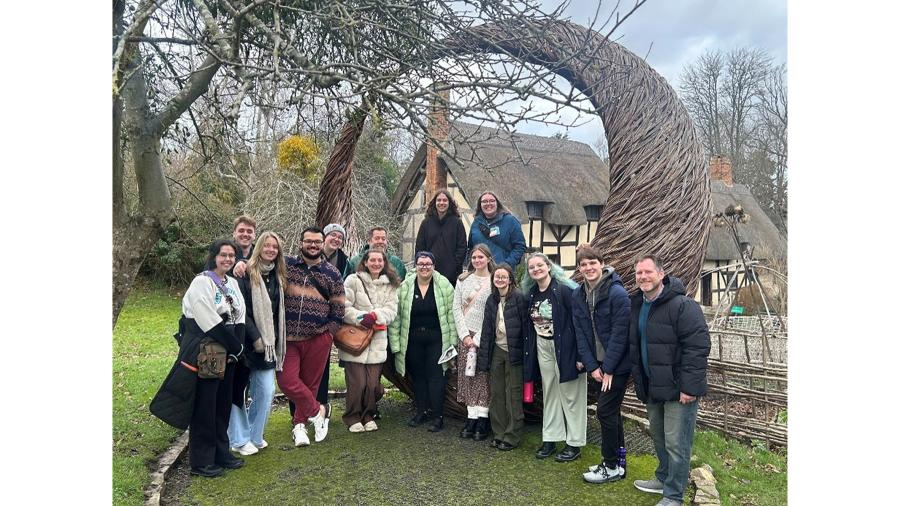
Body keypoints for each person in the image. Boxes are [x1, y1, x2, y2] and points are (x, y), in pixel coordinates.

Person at [630, 254, 710, 506]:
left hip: (678, 388)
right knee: (659, 437)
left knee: (677, 442)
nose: (643, 276)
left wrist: (690, 387)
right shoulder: (637, 304)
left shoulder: (683, 305)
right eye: (639, 273)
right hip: (652, 385)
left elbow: (697, 347)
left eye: (648, 272)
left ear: (661, 274)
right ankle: (663, 478)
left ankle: (674, 495)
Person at [182, 240, 247, 477]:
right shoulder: (202, 282)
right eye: (223, 255)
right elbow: (207, 319)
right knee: (206, 403)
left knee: (223, 402)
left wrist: (237, 348)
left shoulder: (233, 283)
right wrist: (234, 346)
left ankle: (221, 452)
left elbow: (240, 315)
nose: (228, 259)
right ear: (214, 256)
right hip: (209, 347)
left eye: (232, 255)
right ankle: (202, 460)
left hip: (229, 348)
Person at [277, 227, 345, 447]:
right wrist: (241, 264)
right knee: (287, 381)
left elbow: (339, 308)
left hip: (318, 338)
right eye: (309, 241)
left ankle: (299, 426)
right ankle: (319, 411)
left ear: (322, 244)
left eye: (317, 242)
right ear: (301, 243)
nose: (313, 245)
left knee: (311, 384)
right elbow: (262, 264)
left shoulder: (332, 273)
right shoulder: (286, 265)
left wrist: (328, 334)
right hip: (289, 338)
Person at [572, 245, 632, 484]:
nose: (588, 268)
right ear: (579, 268)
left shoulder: (617, 293)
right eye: (583, 264)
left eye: (592, 263)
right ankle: (620, 462)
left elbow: (620, 334)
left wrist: (609, 368)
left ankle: (609, 465)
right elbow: (580, 332)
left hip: (617, 366)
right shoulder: (579, 295)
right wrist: (592, 366)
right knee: (612, 412)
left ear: (602, 263)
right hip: (597, 365)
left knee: (605, 411)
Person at [521, 252, 586, 462]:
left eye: (540, 265)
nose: (536, 269)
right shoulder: (531, 294)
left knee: (571, 395)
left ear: (549, 266)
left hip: (566, 347)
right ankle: (551, 438)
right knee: (550, 392)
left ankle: (574, 443)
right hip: (543, 346)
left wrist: (581, 355)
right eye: (532, 267)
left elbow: (580, 323)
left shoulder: (564, 291)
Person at [228, 232, 287, 457]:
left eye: (275, 247)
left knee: (266, 391)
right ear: (259, 247)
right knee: (238, 392)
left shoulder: (278, 275)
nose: (271, 250)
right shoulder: (244, 273)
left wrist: (269, 339)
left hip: (269, 345)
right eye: (267, 245)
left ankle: (254, 434)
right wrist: (256, 338)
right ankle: (238, 439)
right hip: (246, 343)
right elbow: (241, 309)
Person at [388, 251, 457, 432]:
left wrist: (452, 343)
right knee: (418, 377)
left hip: (437, 339)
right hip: (412, 340)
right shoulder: (405, 286)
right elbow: (396, 318)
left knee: (436, 377)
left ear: (434, 266)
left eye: (428, 264)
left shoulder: (444, 285)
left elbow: (451, 316)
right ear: (416, 266)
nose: (424, 267)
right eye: (421, 264)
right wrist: (395, 345)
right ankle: (421, 412)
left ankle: (438, 416)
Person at [341, 248, 400, 432]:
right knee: (357, 383)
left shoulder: (390, 284)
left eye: (379, 260)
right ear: (365, 262)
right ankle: (352, 417)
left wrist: (375, 316)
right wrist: (360, 317)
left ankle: (368, 414)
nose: (376, 263)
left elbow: (392, 310)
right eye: (372, 260)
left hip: (377, 341)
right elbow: (344, 306)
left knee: (373, 385)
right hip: (356, 339)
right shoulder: (353, 280)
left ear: (384, 263)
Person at [476, 263, 529, 451]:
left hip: (514, 351)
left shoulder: (519, 298)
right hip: (497, 350)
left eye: (503, 277)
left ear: (510, 279)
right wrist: (484, 359)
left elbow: (526, 328)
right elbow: (486, 331)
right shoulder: (492, 300)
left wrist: (527, 355)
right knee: (497, 393)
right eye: (497, 277)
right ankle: (499, 433)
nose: (500, 279)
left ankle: (512, 436)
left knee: (513, 394)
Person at [452, 244, 496, 441]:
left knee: (483, 377)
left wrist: (478, 338)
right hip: (466, 335)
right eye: (474, 257)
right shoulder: (463, 280)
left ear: (488, 259)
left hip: (485, 336)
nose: (477, 260)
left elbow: (493, 312)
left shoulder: (494, 280)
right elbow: (456, 309)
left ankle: (483, 419)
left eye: (481, 257)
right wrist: (465, 336)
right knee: (468, 376)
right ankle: (471, 417)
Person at [317, 222, 348, 426]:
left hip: (329, 318)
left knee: (322, 364)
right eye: (333, 235)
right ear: (325, 237)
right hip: (308, 316)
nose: (336, 239)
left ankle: (321, 405)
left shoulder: (344, 261)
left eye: (340, 237)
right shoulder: (312, 255)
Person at [415, 189, 467, 285]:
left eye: (445, 200)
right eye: (438, 200)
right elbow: (420, 248)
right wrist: (425, 266)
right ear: (434, 203)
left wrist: (453, 266)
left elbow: (462, 247)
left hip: (452, 275)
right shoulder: (426, 223)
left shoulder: (457, 223)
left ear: (449, 203)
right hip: (429, 273)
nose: (441, 203)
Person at [467, 191, 526, 268]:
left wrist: (507, 264)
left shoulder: (510, 221)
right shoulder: (476, 223)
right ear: (480, 205)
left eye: (492, 201)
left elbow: (520, 246)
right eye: (484, 201)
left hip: (502, 271)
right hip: (480, 270)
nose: (488, 203)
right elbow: (471, 248)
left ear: (497, 203)